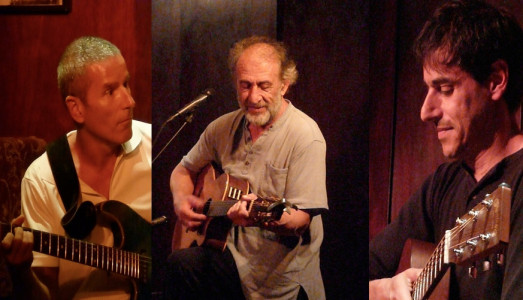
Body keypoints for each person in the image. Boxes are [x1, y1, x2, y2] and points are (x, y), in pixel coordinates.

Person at [369, 0, 523, 299]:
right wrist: (385, 289)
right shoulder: (443, 184)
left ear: (495, 81)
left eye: (445, 89)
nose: (426, 111)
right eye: (428, 88)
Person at [165, 36, 328, 299]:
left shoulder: (305, 137)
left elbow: (299, 220)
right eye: (245, 85)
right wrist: (182, 199)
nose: (253, 97)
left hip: (278, 279)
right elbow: (183, 170)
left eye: (264, 86)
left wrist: (258, 217)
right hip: (231, 258)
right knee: (180, 265)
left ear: (284, 85)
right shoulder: (222, 127)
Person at [1, 36, 151, 299]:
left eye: (126, 84)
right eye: (110, 91)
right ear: (77, 108)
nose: (129, 101)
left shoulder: (157, 146)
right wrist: (21, 271)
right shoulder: (42, 179)